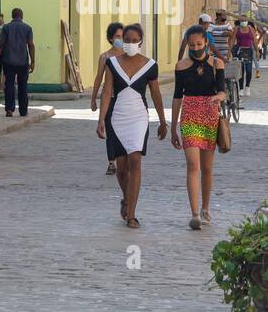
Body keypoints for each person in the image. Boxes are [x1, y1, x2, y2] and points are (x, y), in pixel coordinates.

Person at [97, 22, 167, 229]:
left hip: (138, 117)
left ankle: (132, 214)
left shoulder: (150, 65)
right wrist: (101, 119)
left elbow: (155, 93)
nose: (130, 43)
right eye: (126, 40)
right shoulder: (113, 63)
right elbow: (107, 92)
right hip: (117, 118)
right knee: (121, 169)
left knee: (135, 159)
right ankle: (126, 198)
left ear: (141, 42)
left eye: (135, 41)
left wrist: (163, 121)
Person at [171, 23, 226, 229]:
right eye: (191, 45)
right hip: (189, 115)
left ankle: (205, 208)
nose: (195, 48)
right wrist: (173, 126)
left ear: (206, 43)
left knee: (207, 167)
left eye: (199, 44)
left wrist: (217, 98)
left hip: (210, 114)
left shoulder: (216, 64)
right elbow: (177, 96)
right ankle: (194, 213)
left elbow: (222, 91)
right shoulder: (181, 66)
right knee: (192, 164)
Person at [91, 22, 124, 176]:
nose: (120, 39)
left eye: (122, 36)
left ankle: (124, 160)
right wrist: (93, 98)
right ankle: (112, 162)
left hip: (124, 99)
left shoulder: (128, 56)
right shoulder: (105, 57)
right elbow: (98, 78)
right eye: (117, 36)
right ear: (111, 38)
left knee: (123, 131)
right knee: (110, 130)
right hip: (109, 98)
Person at [0, 7, 35, 118]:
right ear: (21, 16)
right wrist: (33, 61)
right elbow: (31, 45)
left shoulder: (6, 28)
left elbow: (1, 44)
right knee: (23, 86)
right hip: (23, 62)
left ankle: (9, 109)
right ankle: (23, 110)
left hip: (9, 61)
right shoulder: (27, 28)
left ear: (12, 16)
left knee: (9, 85)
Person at [233, 18, 256, 96]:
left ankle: (247, 86)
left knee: (249, 70)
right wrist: (229, 50)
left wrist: (257, 51)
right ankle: (241, 88)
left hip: (249, 51)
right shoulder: (237, 29)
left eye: (245, 20)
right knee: (241, 71)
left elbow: (254, 40)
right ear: (240, 22)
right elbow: (232, 40)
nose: (243, 22)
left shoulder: (251, 29)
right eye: (242, 20)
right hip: (240, 51)